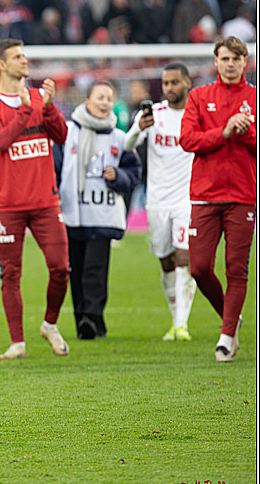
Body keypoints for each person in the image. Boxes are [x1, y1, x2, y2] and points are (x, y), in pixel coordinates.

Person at [0, 39, 71, 360]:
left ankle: (50, 324)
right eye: (17, 56)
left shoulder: (38, 100)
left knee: (61, 268)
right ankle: (17, 342)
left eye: (24, 54)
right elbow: (1, 141)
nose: (24, 60)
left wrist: (49, 105)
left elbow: (61, 136)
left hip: (45, 201)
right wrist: (31, 106)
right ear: (1, 64)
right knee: (11, 273)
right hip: (8, 205)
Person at [180, 36, 256, 362]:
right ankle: (231, 316)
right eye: (224, 58)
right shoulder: (198, 96)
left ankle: (226, 337)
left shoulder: (254, 97)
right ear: (215, 61)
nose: (229, 64)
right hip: (205, 195)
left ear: (244, 62)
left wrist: (245, 131)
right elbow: (187, 139)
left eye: (235, 59)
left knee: (236, 270)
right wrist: (223, 132)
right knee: (198, 268)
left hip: (242, 195)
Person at [54, 82, 141, 340]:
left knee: (95, 269)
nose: (104, 102)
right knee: (76, 270)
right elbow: (55, 167)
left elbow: (134, 172)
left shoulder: (120, 137)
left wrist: (118, 176)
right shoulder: (68, 132)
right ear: (88, 101)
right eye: (100, 97)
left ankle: (90, 317)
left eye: (109, 98)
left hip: (103, 213)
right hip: (73, 212)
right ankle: (87, 320)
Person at [124, 64, 196, 341]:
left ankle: (182, 324)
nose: (169, 88)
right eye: (165, 83)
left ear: (187, 83)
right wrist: (138, 128)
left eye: (175, 82)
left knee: (184, 258)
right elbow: (128, 145)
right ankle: (174, 318)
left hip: (186, 199)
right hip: (156, 200)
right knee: (166, 261)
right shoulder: (153, 115)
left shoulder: (196, 115)